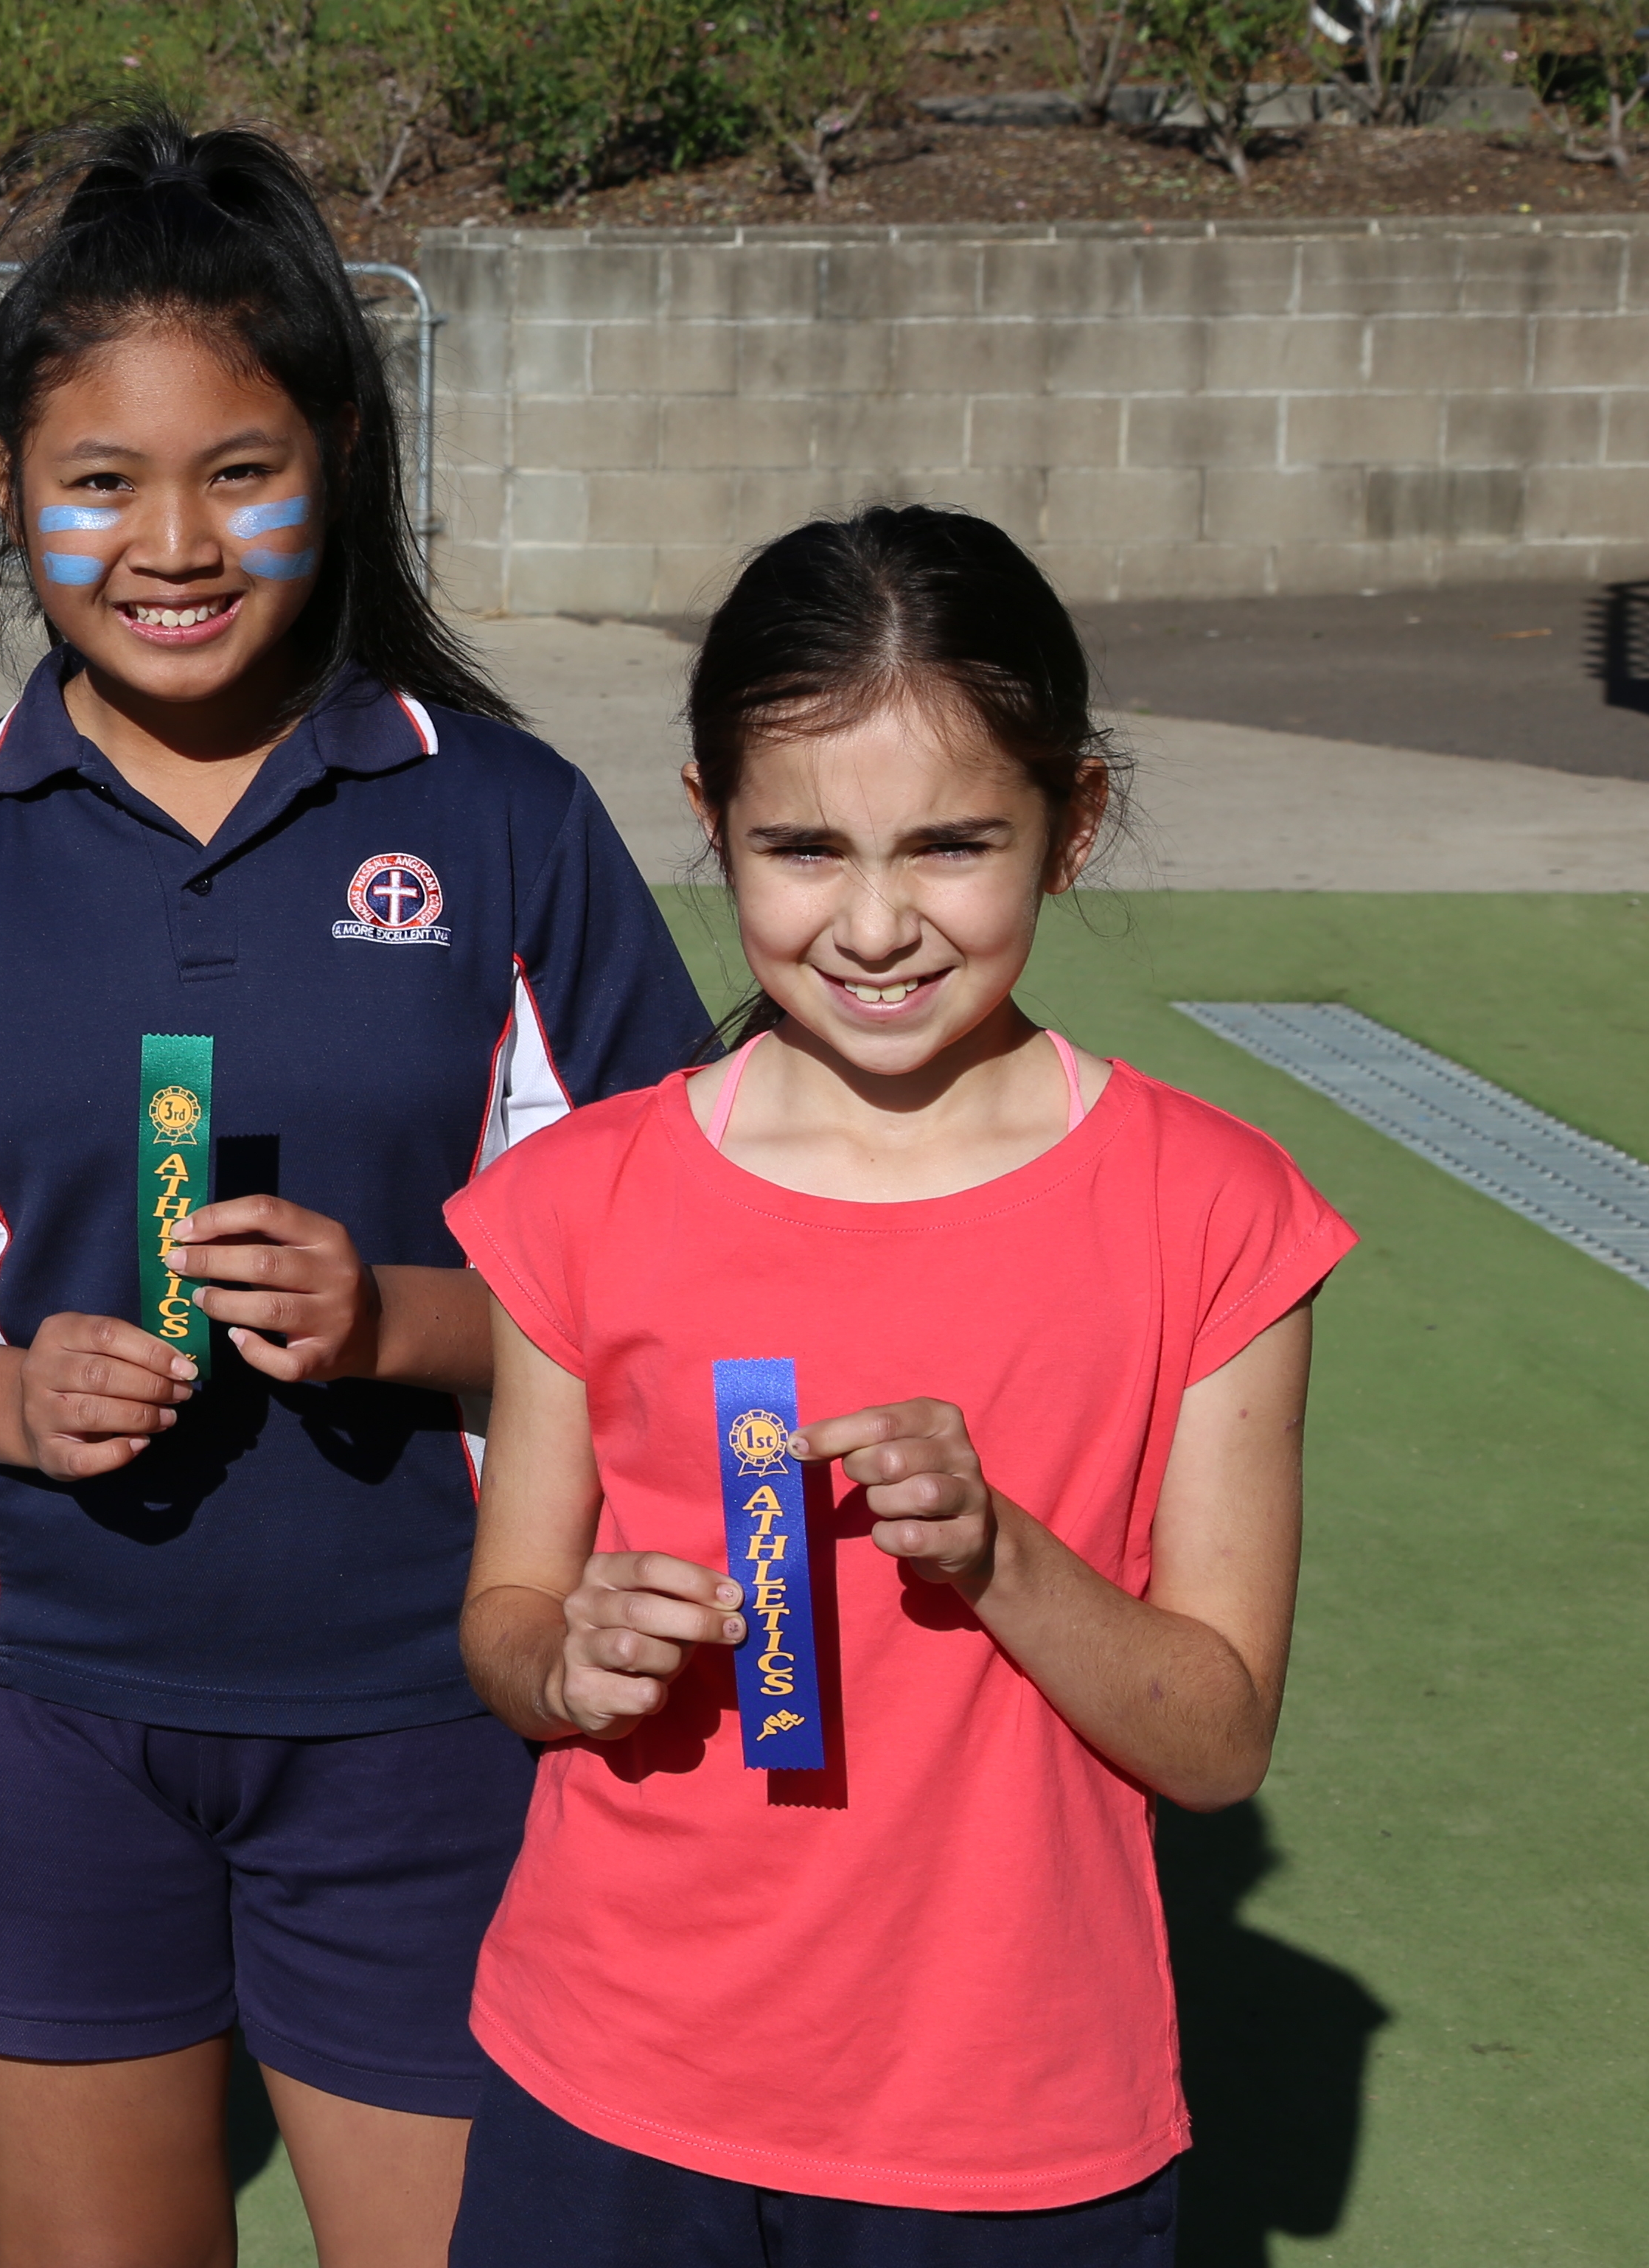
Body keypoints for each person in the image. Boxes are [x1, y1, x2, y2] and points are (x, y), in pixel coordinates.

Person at [0, 115, 712, 2268]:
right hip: (26, 1716)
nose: (173, 539)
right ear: (1, 490)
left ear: (340, 455)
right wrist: (5, 1399)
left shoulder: (502, 822)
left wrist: (397, 1320)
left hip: (441, 1700)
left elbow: (683, 1273)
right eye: (103, 478)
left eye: (241, 469)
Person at [443, 504, 1355, 2264]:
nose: (873, 925)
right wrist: (567, 1659)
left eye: (951, 846)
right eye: (803, 848)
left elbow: (1220, 1739)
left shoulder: (1218, 1214)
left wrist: (1004, 1552)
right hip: (609, 2082)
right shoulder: (579, 1195)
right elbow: (503, 1618)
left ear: (1070, 824)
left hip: (1012, 2126)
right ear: (711, 826)